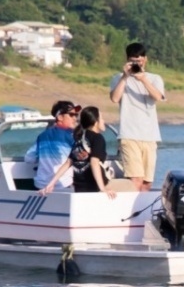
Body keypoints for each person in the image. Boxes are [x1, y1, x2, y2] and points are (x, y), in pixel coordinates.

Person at [40, 106, 135, 198]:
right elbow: (94, 162)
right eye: (101, 119)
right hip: (95, 187)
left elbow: (68, 163)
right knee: (131, 185)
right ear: (95, 122)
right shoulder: (97, 138)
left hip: (80, 187)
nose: (103, 121)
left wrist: (51, 184)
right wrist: (102, 189)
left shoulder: (79, 138)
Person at [109, 42, 165, 191]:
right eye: (133, 61)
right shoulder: (118, 78)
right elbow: (114, 98)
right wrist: (125, 77)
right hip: (129, 134)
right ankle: (129, 210)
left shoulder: (154, 78)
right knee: (135, 179)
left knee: (147, 182)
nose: (136, 65)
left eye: (139, 61)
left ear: (145, 60)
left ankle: (141, 211)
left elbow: (158, 97)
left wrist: (143, 79)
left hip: (150, 135)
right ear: (127, 60)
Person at [24, 101, 79, 191]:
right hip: (63, 185)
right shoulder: (73, 136)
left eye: (76, 115)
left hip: (40, 185)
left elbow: (29, 159)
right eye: (71, 115)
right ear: (60, 117)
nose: (75, 118)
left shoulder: (42, 136)